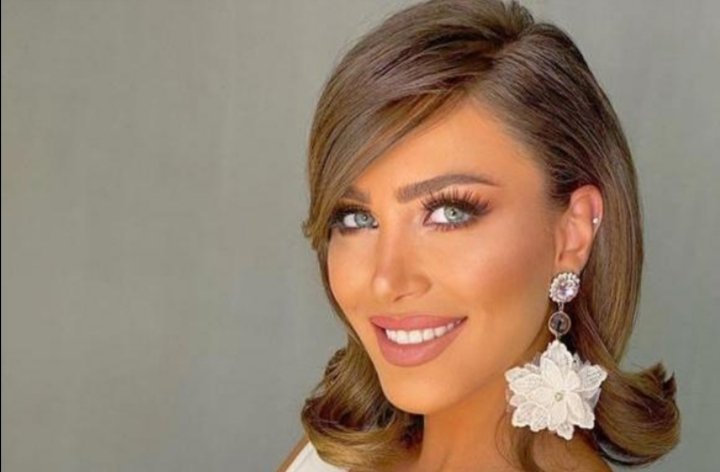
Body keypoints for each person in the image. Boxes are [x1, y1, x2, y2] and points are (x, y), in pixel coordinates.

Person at [279, 0, 680, 470]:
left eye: (449, 212)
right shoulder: (328, 457)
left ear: (572, 233)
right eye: (355, 219)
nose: (386, 280)